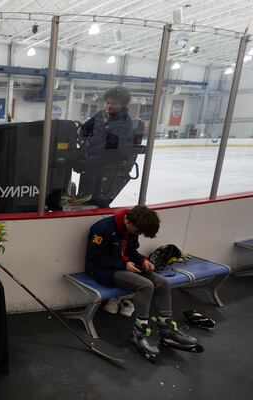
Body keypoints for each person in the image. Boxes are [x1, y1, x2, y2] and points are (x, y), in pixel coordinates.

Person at [85, 205, 198, 359]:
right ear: (130, 222)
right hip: (102, 270)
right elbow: (95, 258)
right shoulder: (103, 228)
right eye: (138, 232)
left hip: (126, 267)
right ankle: (138, 334)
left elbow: (131, 252)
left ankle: (166, 331)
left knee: (162, 283)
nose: (138, 234)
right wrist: (123, 265)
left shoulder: (132, 228)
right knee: (145, 285)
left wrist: (143, 260)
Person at [77, 86, 134, 208]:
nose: (109, 106)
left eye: (114, 103)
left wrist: (89, 146)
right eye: (107, 103)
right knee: (68, 158)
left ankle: (87, 196)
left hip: (110, 158)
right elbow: (84, 129)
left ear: (122, 105)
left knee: (89, 161)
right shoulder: (100, 115)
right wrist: (83, 140)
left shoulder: (124, 123)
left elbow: (110, 145)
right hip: (95, 153)